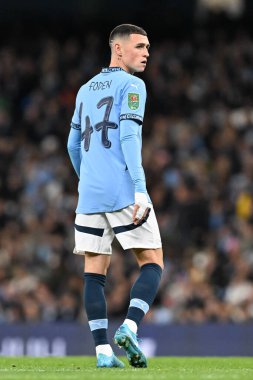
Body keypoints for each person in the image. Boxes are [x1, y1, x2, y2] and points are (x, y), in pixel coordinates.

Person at [67, 24, 163, 369]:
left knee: (94, 273)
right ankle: (131, 327)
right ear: (118, 49)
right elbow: (128, 138)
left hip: (88, 195)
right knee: (152, 261)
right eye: (140, 46)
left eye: (148, 47)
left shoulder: (84, 89)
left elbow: (72, 145)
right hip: (122, 190)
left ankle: (103, 353)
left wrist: (88, 179)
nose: (146, 53)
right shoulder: (133, 85)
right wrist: (140, 187)